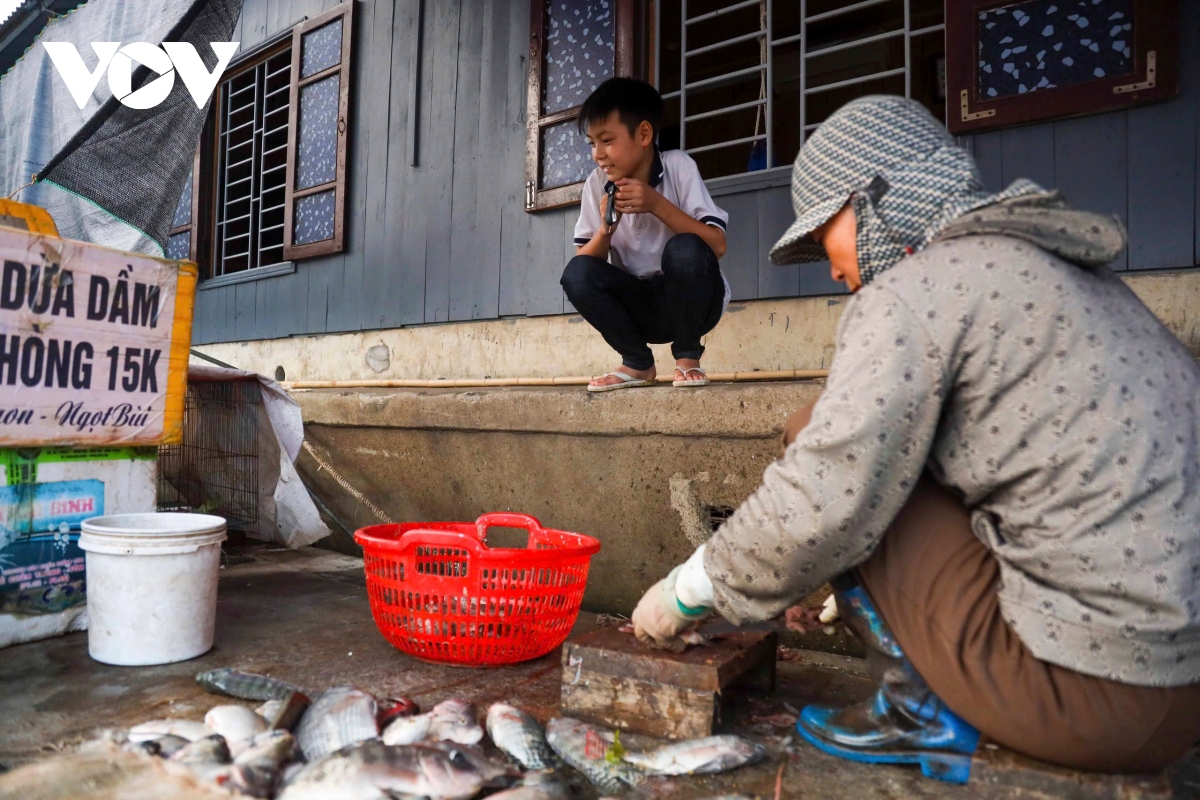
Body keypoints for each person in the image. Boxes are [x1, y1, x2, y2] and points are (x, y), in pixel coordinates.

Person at [630, 95, 1200, 783]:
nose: (834, 268)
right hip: (1179, 687)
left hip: (1091, 698)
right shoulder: (1054, 274)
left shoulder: (914, 290)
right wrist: (874, 589)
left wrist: (686, 591)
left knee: (816, 431)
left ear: (872, 201)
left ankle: (918, 709)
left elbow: (826, 491)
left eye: (824, 237)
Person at [561, 78, 730, 392]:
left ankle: (688, 356)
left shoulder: (678, 166)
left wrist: (656, 204)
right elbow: (582, 269)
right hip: (639, 306)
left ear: (643, 134)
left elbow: (717, 245)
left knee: (685, 247)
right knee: (576, 273)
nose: (598, 154)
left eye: (607, 140)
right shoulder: (597, 183)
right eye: (592, 143)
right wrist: (605, 230)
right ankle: (637, 362)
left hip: (694, 301)